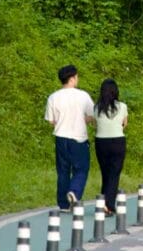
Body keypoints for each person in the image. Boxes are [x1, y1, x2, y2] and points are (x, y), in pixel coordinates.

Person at [45, 64, 94, 210]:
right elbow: (92, 115)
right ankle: (74, 191)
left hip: (60, 137)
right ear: (72, 78)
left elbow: (50, 121)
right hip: (78, 138)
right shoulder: (83, 96)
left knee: (63, 171)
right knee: (81, 168)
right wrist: (83, 120)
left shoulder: (53, 97)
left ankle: (63, 204)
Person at [93, 79, 127, 215]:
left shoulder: (97, 108)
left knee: (106, 173)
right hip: (118, 141)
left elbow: (95, 125)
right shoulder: (122, 106)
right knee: (114, 174)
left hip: (101, 142)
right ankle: (108, 205)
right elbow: (125, 124)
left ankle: (103, 202)